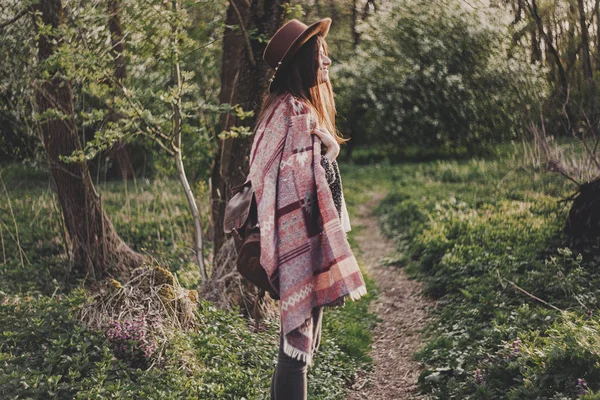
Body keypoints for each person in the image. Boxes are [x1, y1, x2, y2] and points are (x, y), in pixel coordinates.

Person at [246, 18, 368, 400]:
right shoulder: (297, 114)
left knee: (292, 350)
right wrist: (330, 153)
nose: (327, 64)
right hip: (298, 244)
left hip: (284, 241)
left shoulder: (276, 111)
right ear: (303, 63)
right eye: (321, 56)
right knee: (296, 352)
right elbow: (311, 193)